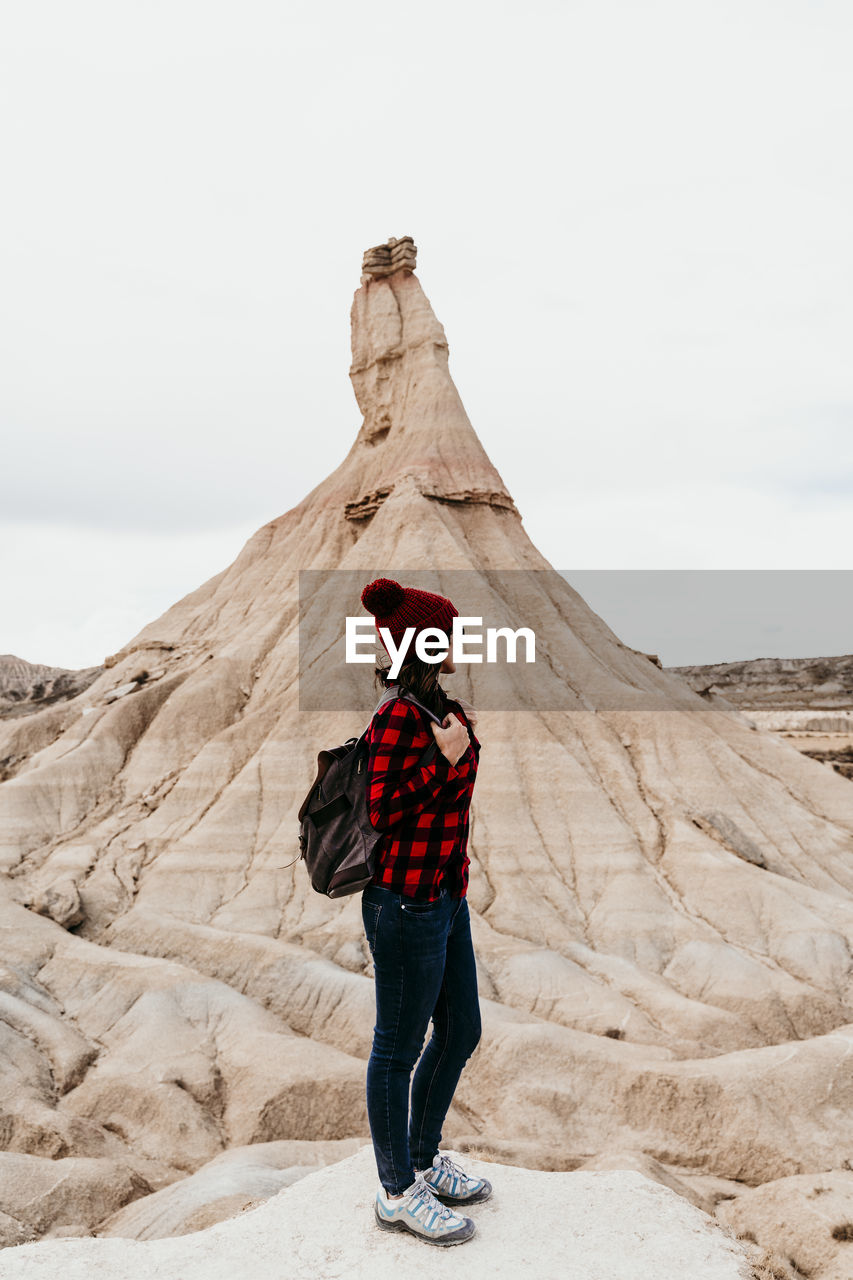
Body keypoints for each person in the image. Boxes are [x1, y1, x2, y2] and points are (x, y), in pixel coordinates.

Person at [358, 576, 493, 1247]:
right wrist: (441, 764)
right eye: (446, 633)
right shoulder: (393, 720)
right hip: (402, 904)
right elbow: (381, 810)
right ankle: (395, 1192)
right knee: (397, 1047)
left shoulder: (445, 710)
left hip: (443, 896)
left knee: (461, 1029)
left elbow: (457, 798)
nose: (456, 643)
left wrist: (455, 748)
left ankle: (422, 1158)